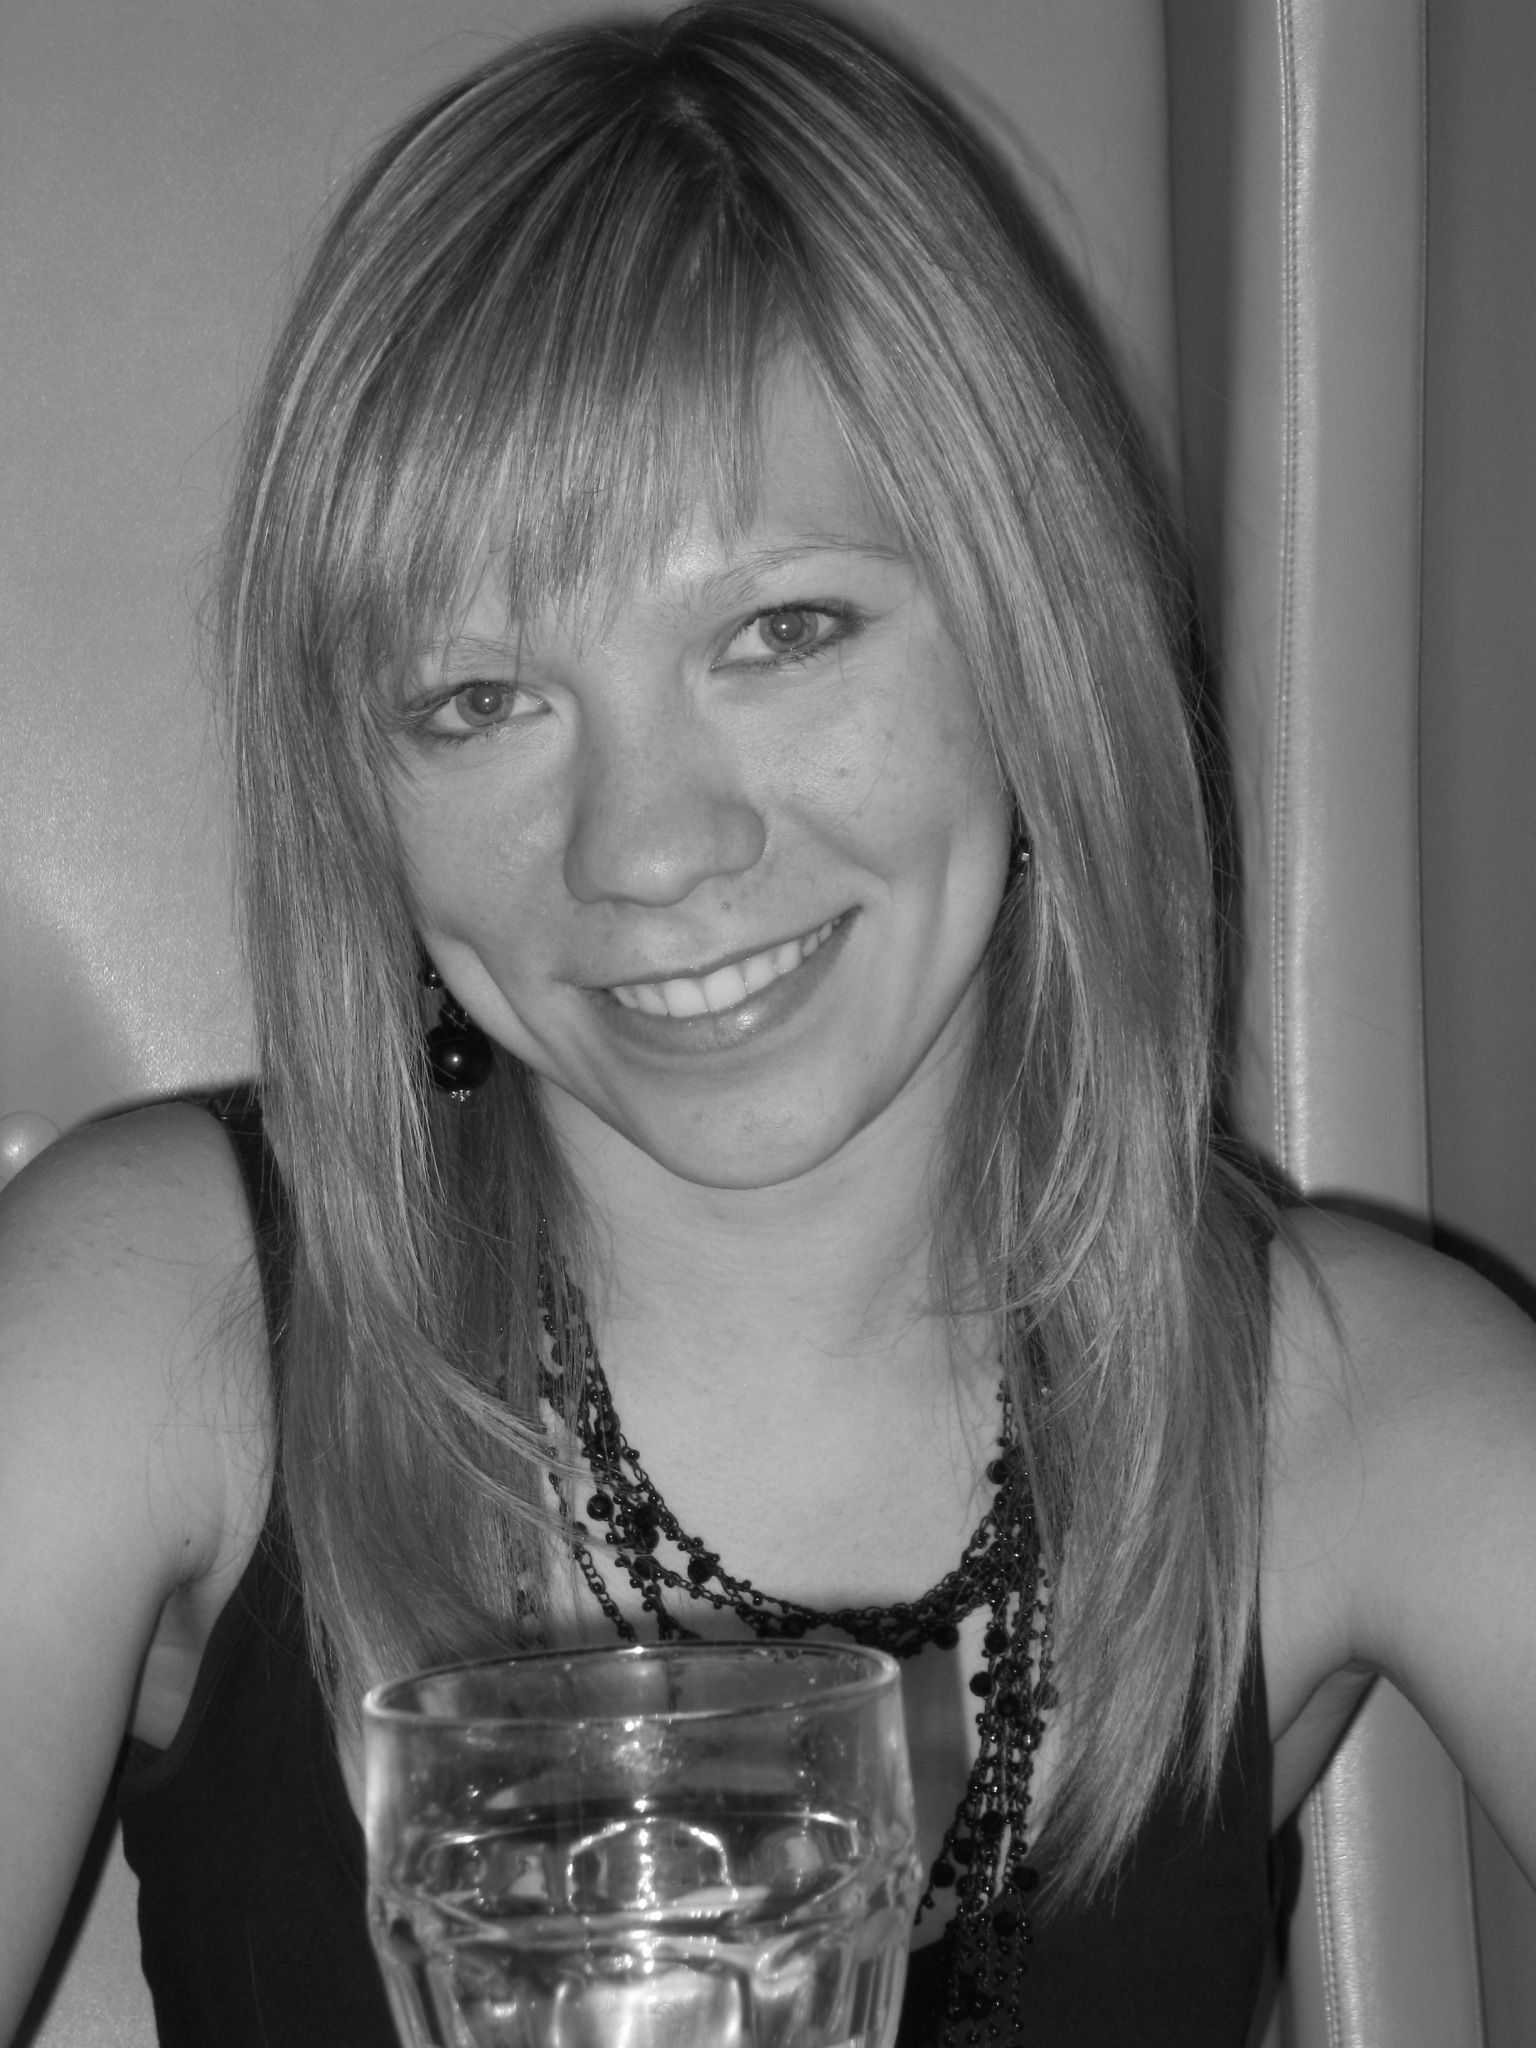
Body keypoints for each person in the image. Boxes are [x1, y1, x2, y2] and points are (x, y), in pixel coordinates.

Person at [2, 4, 1534, 2044]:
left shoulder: (1349, 1403)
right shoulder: (145, 1315)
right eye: (479, 700)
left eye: (782, 629)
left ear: (1034, 634)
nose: (645, 848)